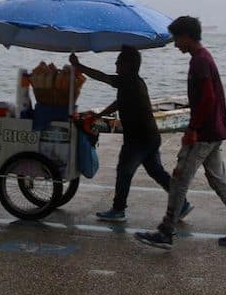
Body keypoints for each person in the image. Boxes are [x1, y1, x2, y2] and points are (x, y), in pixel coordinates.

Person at [135, 16, 226, 250]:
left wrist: (193, 129)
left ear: (187, 36)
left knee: (179, 180)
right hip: (215, 131)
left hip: (204, 134)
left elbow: (208, 98)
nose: (176, 44)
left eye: (177, 39)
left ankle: (166, 231)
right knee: (219, 181)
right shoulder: (203, 58)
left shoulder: (199, 61)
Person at [70, 46, 192, 223]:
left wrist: (79, 66)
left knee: (124, 171)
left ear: (127, 65)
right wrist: (99, 114)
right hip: (150, 137)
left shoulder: (128, 81)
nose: (116, 63)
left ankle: (118, 209)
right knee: (157, 172)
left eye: (119, 61)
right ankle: (182, 204)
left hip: (138, 139)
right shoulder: (135, 82)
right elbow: (119, 102)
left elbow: (103, 77)